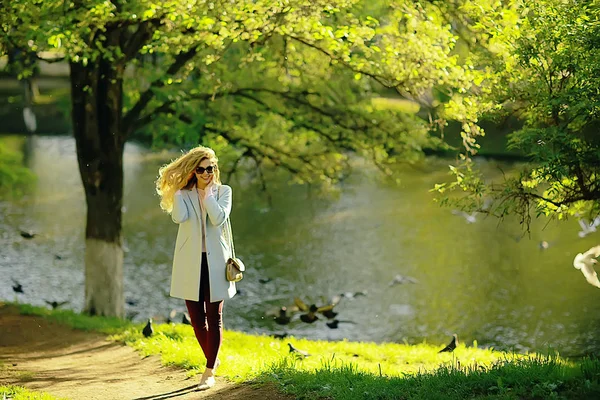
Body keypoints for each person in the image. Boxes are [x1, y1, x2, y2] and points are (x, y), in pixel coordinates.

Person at [155, 145, 237, 390]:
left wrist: (208, 196)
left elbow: (218, 218)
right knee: (195, 318)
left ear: (215, 168)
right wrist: (179, 193)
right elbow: (179, 218)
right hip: (190, 262)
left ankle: (209, 371)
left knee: (215, 317)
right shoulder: (185, 194)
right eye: (200, 169)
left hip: (216, 262)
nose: (205, 173)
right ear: (193, 171)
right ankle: (213, 358)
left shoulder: (224, 191)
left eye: (209, 168)